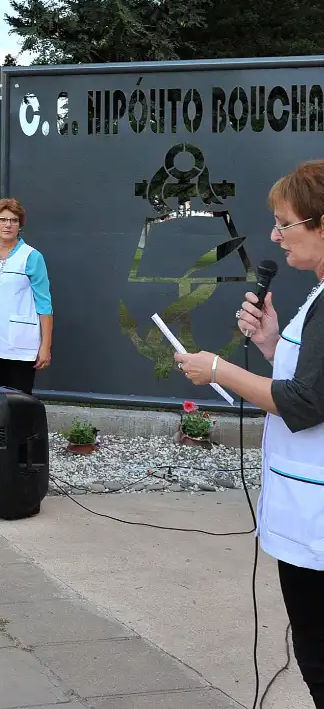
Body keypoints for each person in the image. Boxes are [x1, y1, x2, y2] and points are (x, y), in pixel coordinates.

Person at [174, 160, 324, 706]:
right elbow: (312, 377)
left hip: (317, 520)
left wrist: (220, 370)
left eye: (285, 224)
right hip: (307, 509)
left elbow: (305, 401)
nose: (275, 236)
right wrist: (270, 342)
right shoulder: (317, 294)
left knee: (318, 654)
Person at [0, 198, 52, 394]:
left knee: (20, 401)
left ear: (20, 225)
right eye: (2, 219)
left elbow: (44, 305)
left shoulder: (32, 257)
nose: (8, 225)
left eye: (14, 220)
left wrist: (45, 346)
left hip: (21, 344)